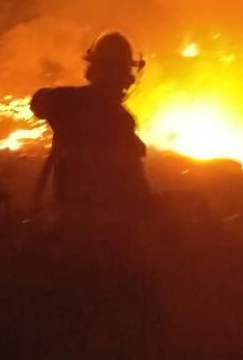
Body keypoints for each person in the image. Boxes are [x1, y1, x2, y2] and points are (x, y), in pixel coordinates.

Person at [30, 32, 153, 223]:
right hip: (106, 224)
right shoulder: (121, 122)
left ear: (92, 70)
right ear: (127, 78)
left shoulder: (66, 101)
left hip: (67, 219)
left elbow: (39, 102)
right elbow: (135, 185)